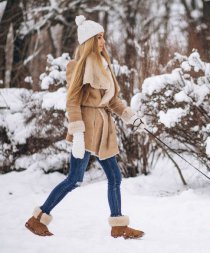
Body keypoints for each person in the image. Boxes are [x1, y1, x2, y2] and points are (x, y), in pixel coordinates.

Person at [25, 15, 146, 239]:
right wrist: (78, 133)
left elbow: (111, 101)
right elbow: (72, 101)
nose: (103, 41)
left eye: (103, 37)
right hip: (86, 129)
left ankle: (118, 225)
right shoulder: (78, 66)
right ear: (89, 40)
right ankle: (37, 218)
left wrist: (130, 116)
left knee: (115, 177)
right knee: (74, 179)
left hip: (104, 130)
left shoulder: (103, 65)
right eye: (98, 37)